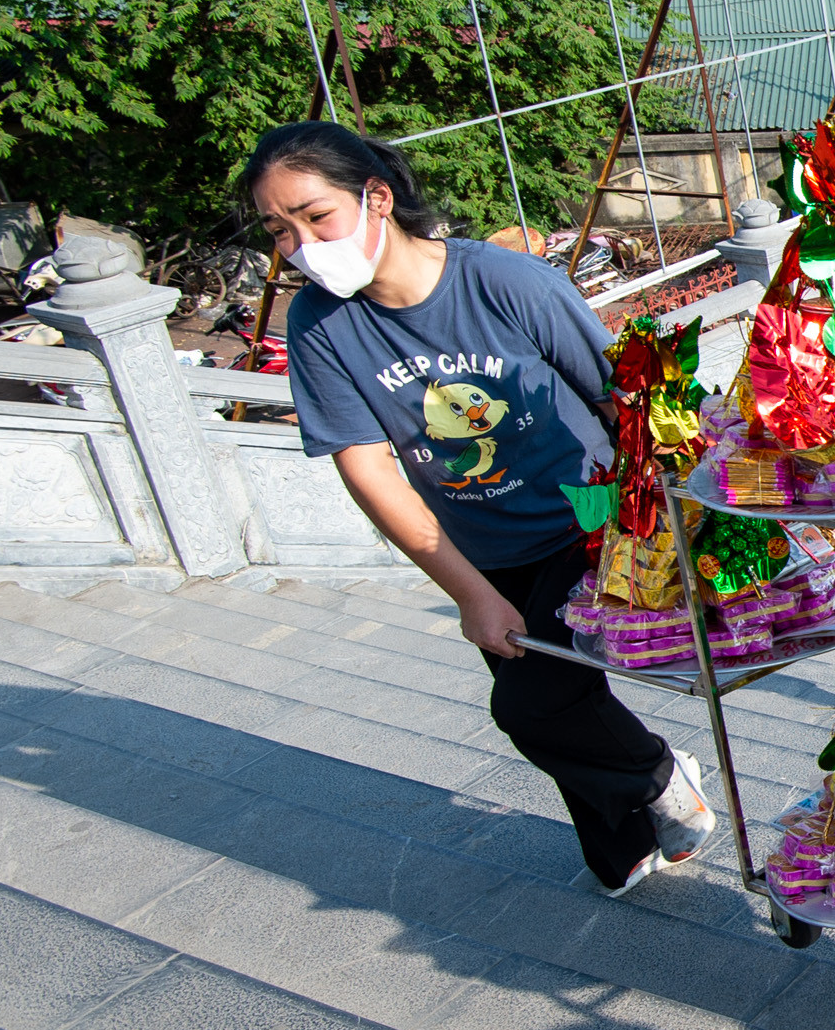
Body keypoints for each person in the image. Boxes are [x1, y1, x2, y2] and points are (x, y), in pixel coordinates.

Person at [244, 121, 714, 898]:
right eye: (279, 230)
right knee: (562, 708)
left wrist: (678, 513)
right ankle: (629, 842)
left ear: (378, 198)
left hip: (589, 522)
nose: (300, 245)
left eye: (315, 216)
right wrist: (468, 591)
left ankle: (658, 774)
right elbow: (366, 466)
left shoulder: (506, 282)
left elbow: (620, 395)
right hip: (481, 543)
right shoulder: (319, 325)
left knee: (533, 705)